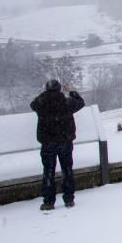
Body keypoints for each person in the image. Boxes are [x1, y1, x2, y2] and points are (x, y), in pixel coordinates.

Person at [30, 79, 85, 211]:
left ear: (46, 89)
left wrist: (45, 94)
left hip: (48, 143)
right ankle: (69, 198)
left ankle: (48, 201)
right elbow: (81, 102)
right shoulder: (66, 102)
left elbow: (32, 104)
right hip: (65, 141)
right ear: (60, 89)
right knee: (67, 169)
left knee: (48, 171)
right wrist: (71, 91)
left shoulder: (41, 103)